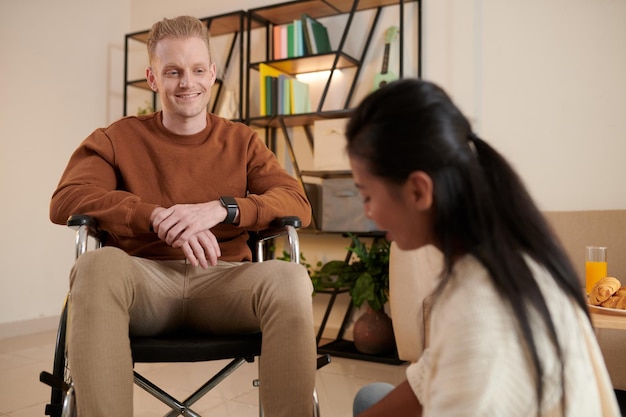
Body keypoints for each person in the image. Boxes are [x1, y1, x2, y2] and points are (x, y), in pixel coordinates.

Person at [49, 15, 316, 417]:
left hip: (226, 284)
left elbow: (296, 202)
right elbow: (67, 199)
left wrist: (223, 209)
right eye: (172, 71)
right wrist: (153, 216)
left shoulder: (243, 141)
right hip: (143, 283)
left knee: (290, 278)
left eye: (196, 70)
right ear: (152, 78)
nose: (186, 83)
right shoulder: (117, 138)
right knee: (95, 266)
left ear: (211, 75)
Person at [345, 78, 620, 416]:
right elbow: (427, 377)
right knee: (371, 398)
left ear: (418, 190)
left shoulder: (478, 308)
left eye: (367, 195)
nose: (367, 212)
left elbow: (467, 349)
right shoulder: (498, 254)